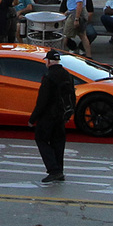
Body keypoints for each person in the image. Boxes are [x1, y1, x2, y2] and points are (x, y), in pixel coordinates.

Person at [31, 48, 76, 185]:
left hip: (48, 116)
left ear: (49, 61)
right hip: (61, 116)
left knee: (42, 140)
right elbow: (72, 96)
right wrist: (68, 113)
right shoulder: (67, 75)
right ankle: (59, 170)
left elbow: (42, 100)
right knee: (58, 142)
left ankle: (53, 170)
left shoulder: (48, 77)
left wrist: (33, 118)